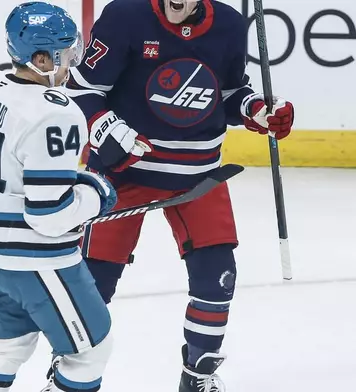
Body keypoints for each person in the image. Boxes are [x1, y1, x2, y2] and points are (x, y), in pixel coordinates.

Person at [65, 0, 295, 390]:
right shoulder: (124, 16)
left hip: (198, 177)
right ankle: (69, 376)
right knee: (93, 285)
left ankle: (198, 375)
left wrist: (256, 109)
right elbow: (83, 91)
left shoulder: (228, 24)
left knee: (217, 279)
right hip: (125, 174)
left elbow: (228, 92)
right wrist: (104, 129)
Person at [0, 2, 117, 391]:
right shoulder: (56, 113)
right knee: (91, 350)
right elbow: (48, 215)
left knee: (7, 346)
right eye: (64, 53)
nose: (71, 62)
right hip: (37, 260)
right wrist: (97, 194)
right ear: (40, 58)